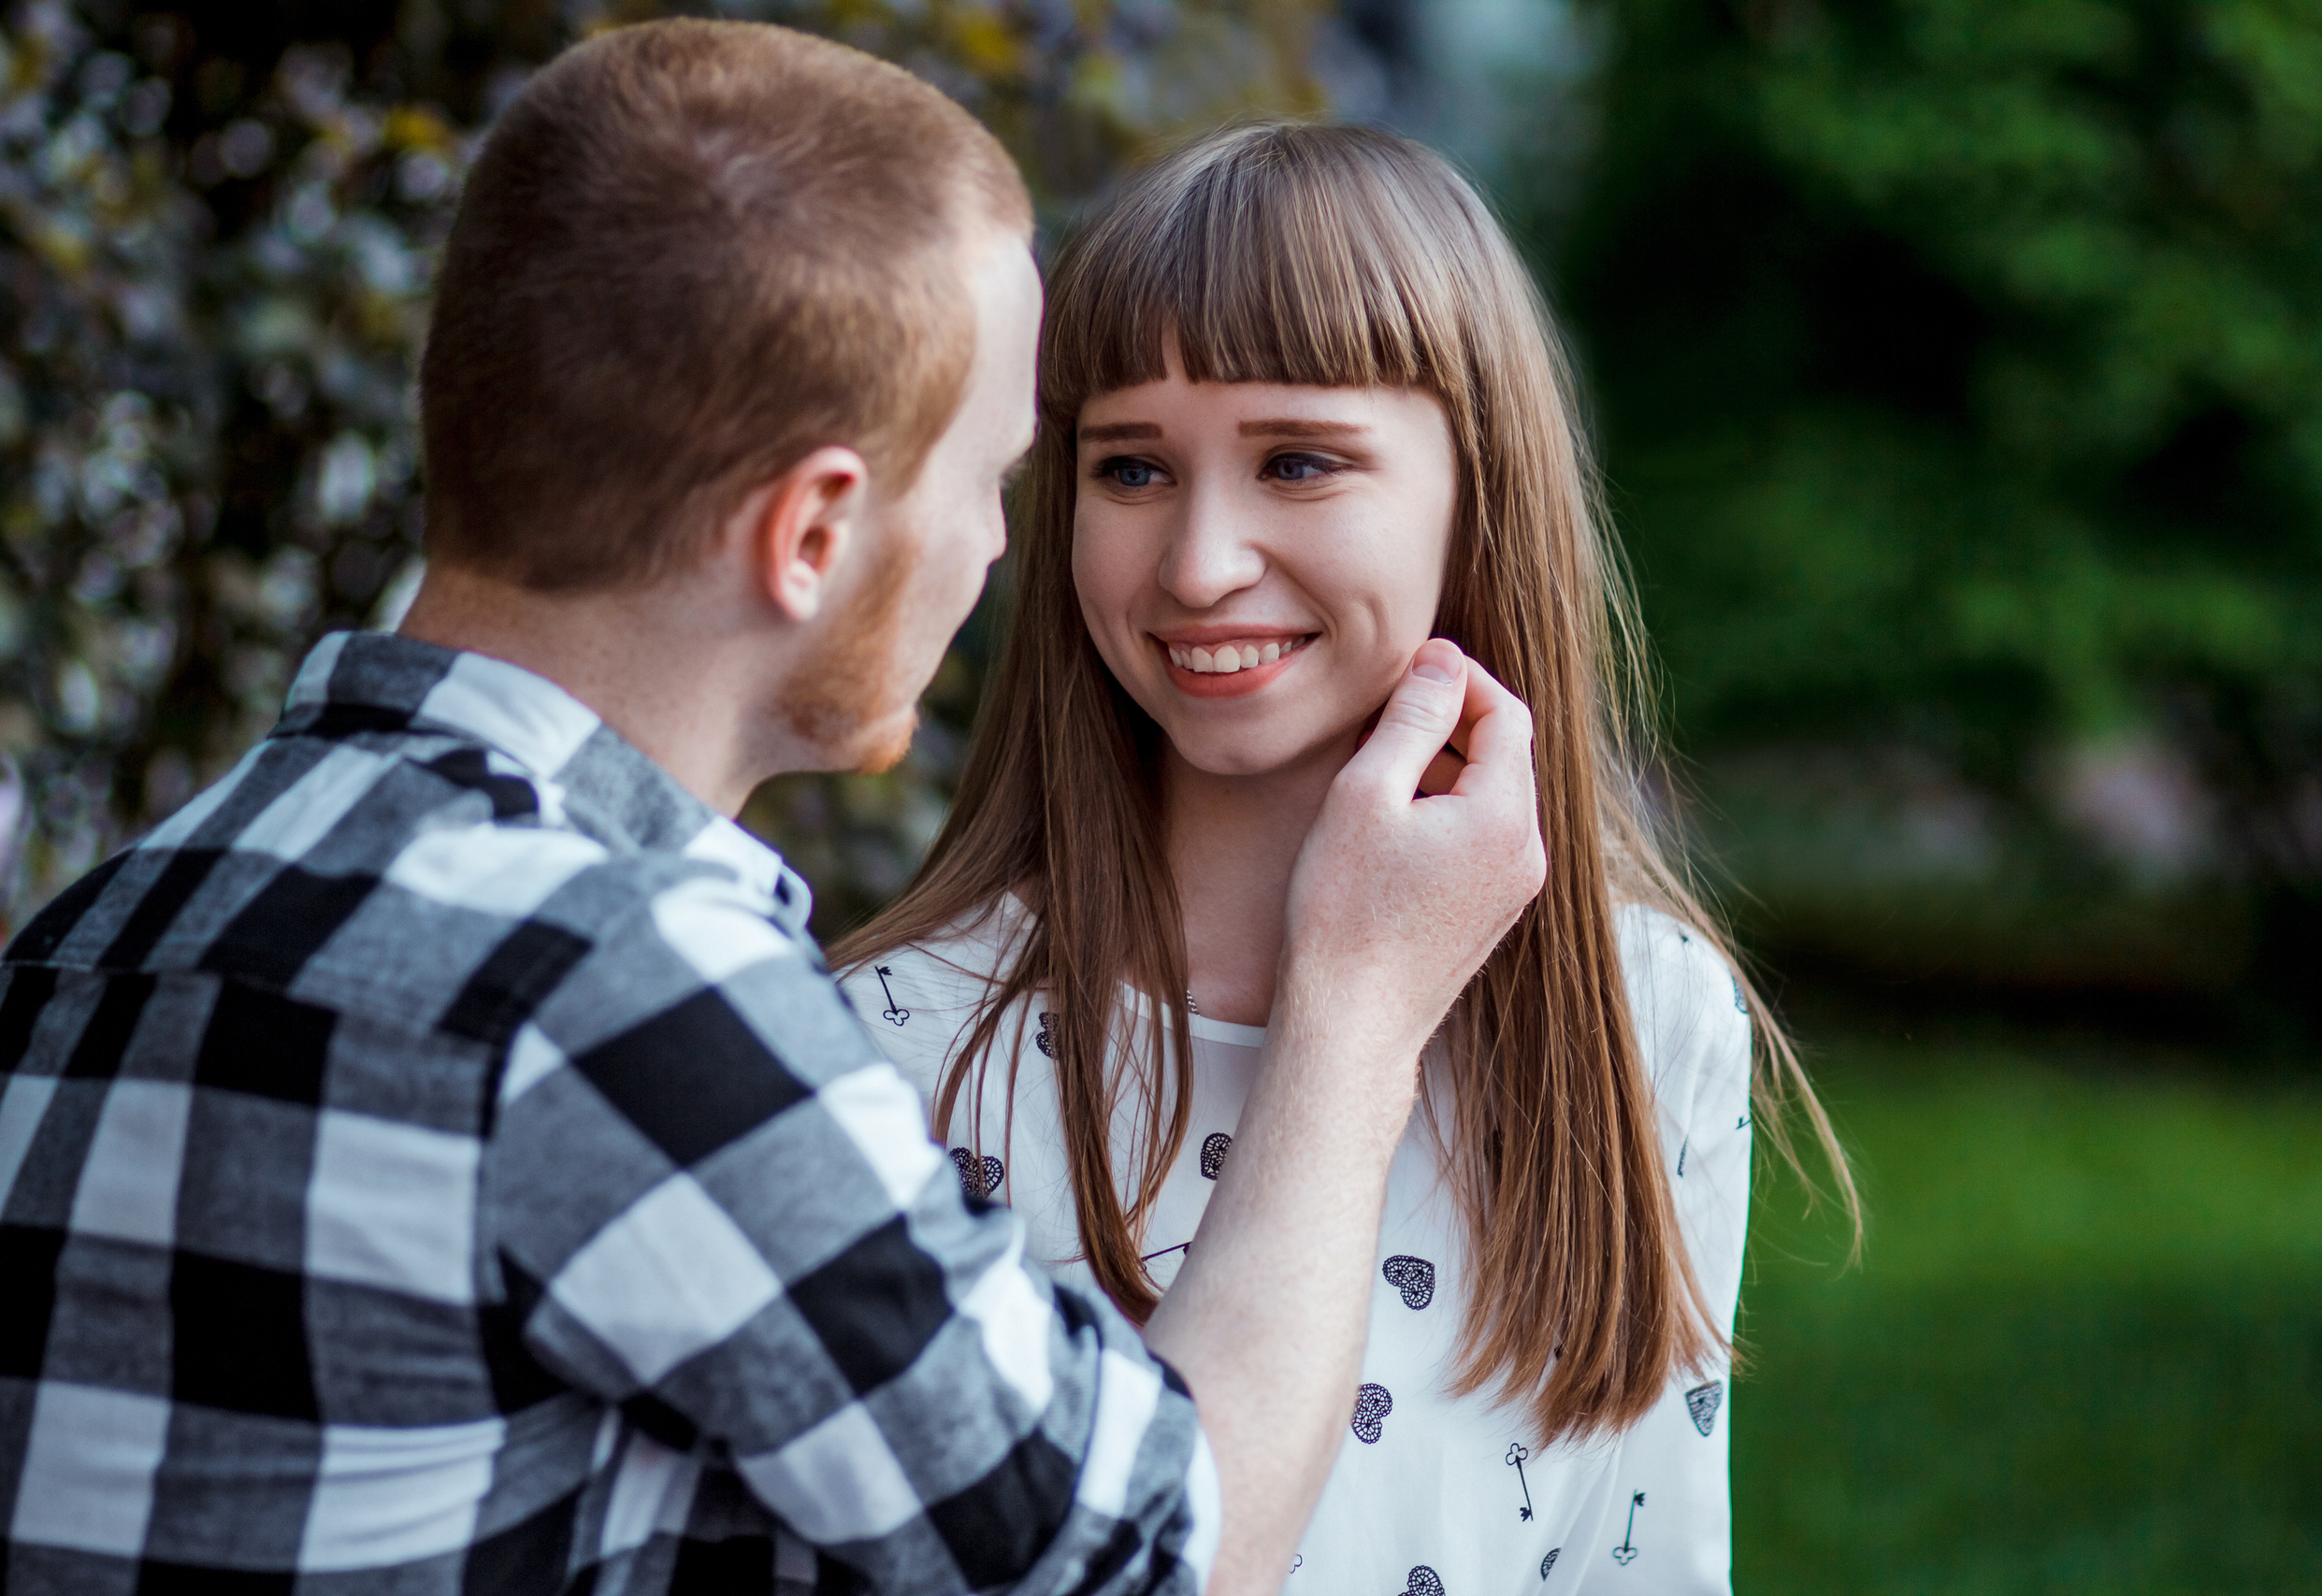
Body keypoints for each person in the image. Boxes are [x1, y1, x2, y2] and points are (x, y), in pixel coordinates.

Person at [0, 29, 1545, 1596]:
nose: (993, 553)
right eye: (991, 478)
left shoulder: (98, 930)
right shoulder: (620, 988)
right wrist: (1359, 1010)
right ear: (812, 533)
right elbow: (1151, 1562)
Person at [838, 122, 1853, 1590]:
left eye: (1299, 460)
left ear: (1480, 490)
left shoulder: (1647, 1013)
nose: (1199, 564)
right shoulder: (897, 1048)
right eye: (1132, 468)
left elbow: (1644, 1552)